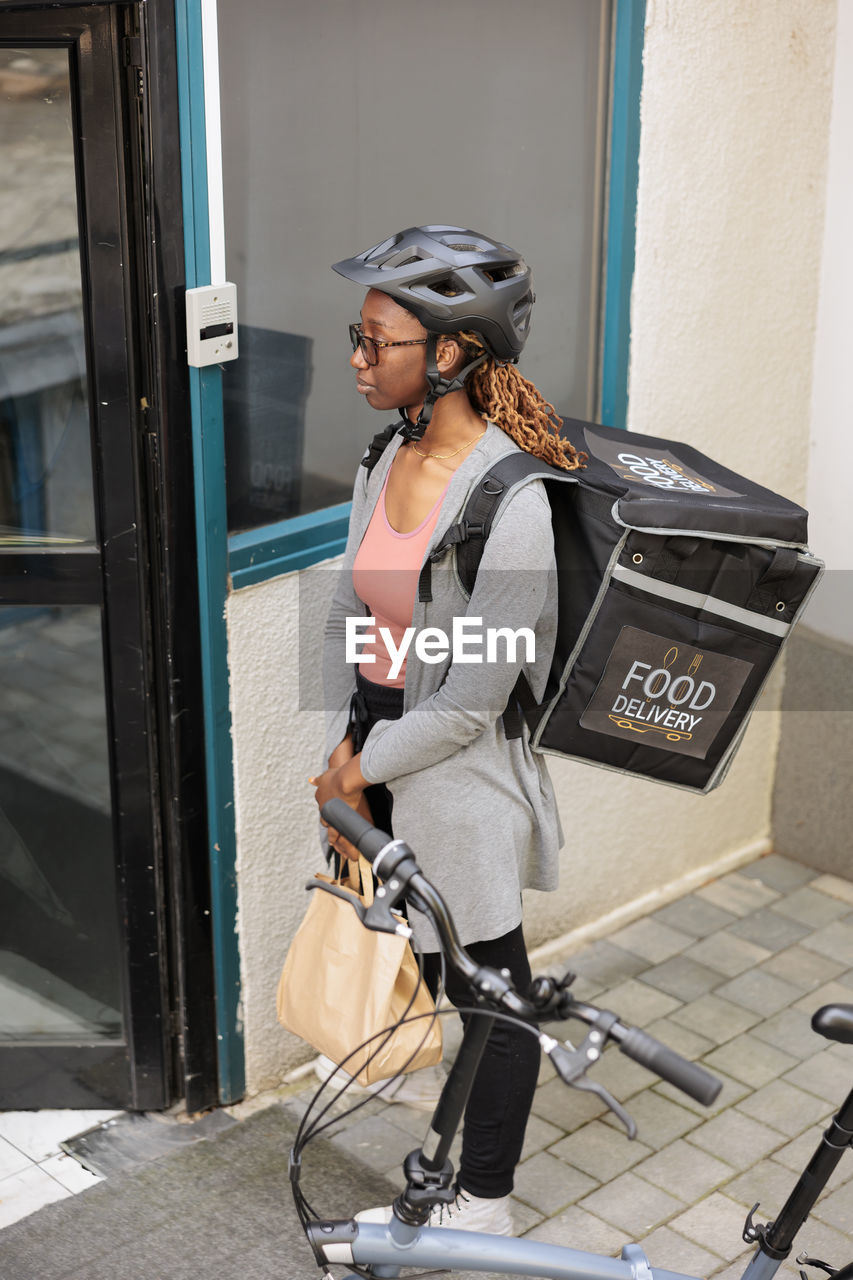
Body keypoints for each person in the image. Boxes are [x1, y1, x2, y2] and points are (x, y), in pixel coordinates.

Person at [310, 225, 585, 1235]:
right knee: (438, 966)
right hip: (384, 744)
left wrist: (359, 770)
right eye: (357, 333)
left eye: (374, 340)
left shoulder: (513, 501)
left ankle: (488, 1204)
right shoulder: (384, 454)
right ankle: (458, 1166)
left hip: (459, 774)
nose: (354, 357)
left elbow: (471, 698)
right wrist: (348, 743)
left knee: (492, 989)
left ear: (450, 353)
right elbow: (355, 613)